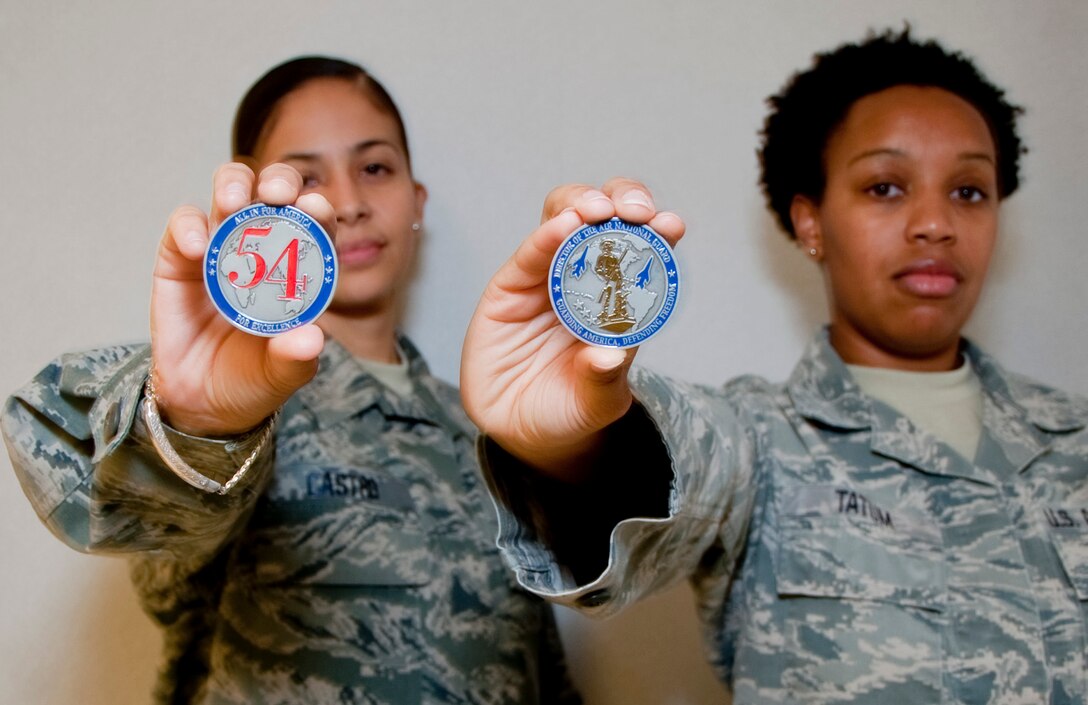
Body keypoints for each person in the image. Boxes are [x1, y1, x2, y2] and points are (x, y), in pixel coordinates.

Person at [459, 30, 1088, 704]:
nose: (935, 222)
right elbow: (678, 466)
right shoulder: (761, 438)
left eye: (969, 191)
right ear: (810, 221)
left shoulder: (1074, 438)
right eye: (885, 186)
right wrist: (572, 438)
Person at [2, 56, 579, 705]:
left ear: (417, 201)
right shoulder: (239, 414)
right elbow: (112, 491)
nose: (351, 204)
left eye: (375, 168)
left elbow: (543, 669)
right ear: (258, 209)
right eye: (307, 176)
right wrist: (196, 424)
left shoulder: (492, 432)